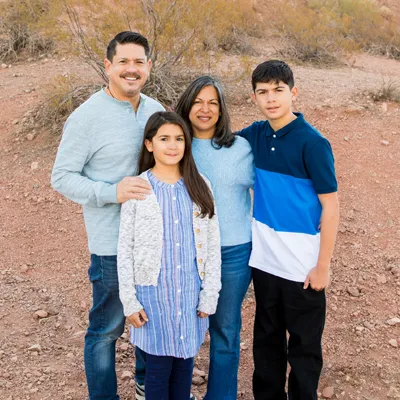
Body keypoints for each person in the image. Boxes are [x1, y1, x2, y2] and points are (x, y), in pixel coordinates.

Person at [51, 31, 164, 400]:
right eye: (123, 62)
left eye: (138, 62)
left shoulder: (155, 110)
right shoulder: (86, 117)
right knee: (107, 328)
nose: (131, 70)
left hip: (152, 240)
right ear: (108, 66)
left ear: (148, 66)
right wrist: (110, 192)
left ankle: (147, 383)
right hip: (111, 245)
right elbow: (62, 177)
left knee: (151, 317)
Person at [135, 76, 254, 400]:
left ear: (221, 109)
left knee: (225, 331)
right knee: (159, 322)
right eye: (198, 101)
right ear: (187, 105)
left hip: (231, 254)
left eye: (213, 102)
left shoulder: (241, 148)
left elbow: (269, 191)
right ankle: (148, 384)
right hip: (180, 258)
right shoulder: (174, 145)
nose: (205, 109)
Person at [237, 60, 339, 400]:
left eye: (278, 90)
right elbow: (218, 143)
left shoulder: (313, 143)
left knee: (304, 350)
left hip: (303, 269)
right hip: (265, 265)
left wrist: (322, 266)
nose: (271, 98)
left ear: (293, 93)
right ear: (254, 97)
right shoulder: (256, 134)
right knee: (266, 345)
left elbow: (331, 206)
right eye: (263, 92)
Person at [117, 111, 221, 400]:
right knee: (158, 374)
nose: (172, 145)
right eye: (164, 139)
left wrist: (209, 293)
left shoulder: (201, 185)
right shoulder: (139, 188)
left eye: (179, 139)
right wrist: (130, 300)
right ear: (150, 144)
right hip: (153, 298)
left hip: (190, 295)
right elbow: (125, 248)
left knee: (184, 372)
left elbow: (212, 246)